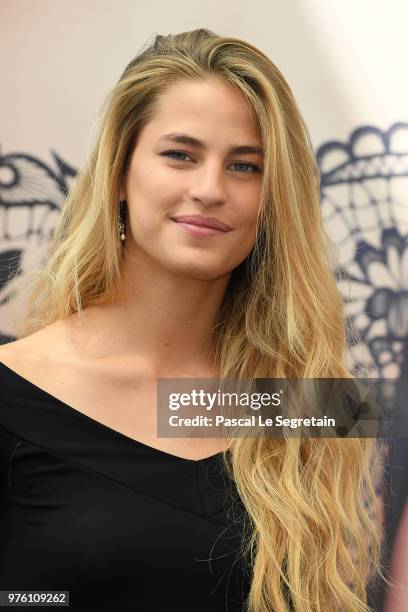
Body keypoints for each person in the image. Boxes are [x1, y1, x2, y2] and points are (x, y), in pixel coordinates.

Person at [0, 28, 386, 611]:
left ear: (276, 198)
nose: (209, 189)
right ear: (120, 171)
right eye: (180, 154)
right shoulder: (16, 390)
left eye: (246, 166)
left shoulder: (309, 400)